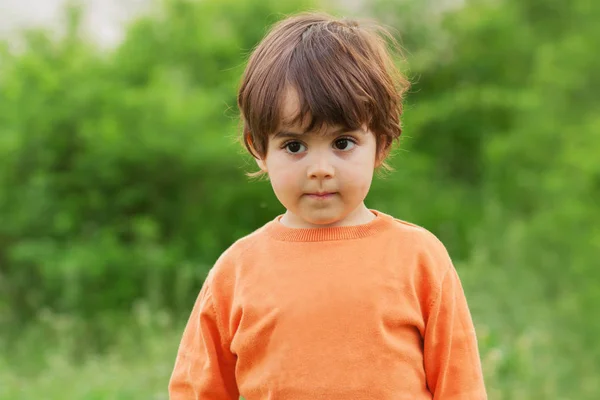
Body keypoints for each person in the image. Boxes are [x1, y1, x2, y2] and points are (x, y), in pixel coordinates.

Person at [169, 11, 487, 400]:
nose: (320, 170)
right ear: (259, 149)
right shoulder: (236, 272)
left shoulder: (419, 259)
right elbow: (198, 391)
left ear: (381, 143)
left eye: (342, 143)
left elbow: (461, 387)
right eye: (294, 146)